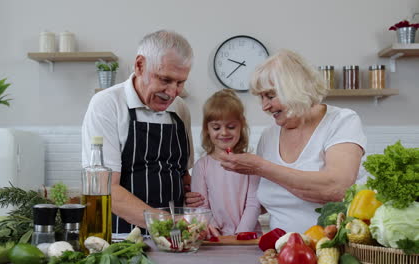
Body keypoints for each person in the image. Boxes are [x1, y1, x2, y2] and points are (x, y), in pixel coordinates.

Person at [187, 49, 366, 233]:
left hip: (328, 249)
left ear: (294, 88)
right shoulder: (269, 136)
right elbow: (266, 200)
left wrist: (261, 167)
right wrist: (210, 199)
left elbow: (337, 188)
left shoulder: (342, 121)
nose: (265, 106)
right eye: (262, 97)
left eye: (270, 96)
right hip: (278, 250)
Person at [82, 30, 194, 233]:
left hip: (173, 237)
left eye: (180, 82)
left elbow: (183, 174)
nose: (172, 93)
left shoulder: (180, 109)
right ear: (140, 65)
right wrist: (166, 223)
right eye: (165, 80)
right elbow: (106, 189)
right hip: (121, 236)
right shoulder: (107, 105)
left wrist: (197, 195)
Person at [191, 89, 261, 237]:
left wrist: (241, 235)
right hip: (214, 238)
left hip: (247, 238)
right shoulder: (202, 166)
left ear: (241, 126)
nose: (224, 133)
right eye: (216, 127)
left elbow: (253, 205)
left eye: (231, 127)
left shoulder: (251, 163)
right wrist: (210, 227)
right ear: (207, 129)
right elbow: (201, 207)